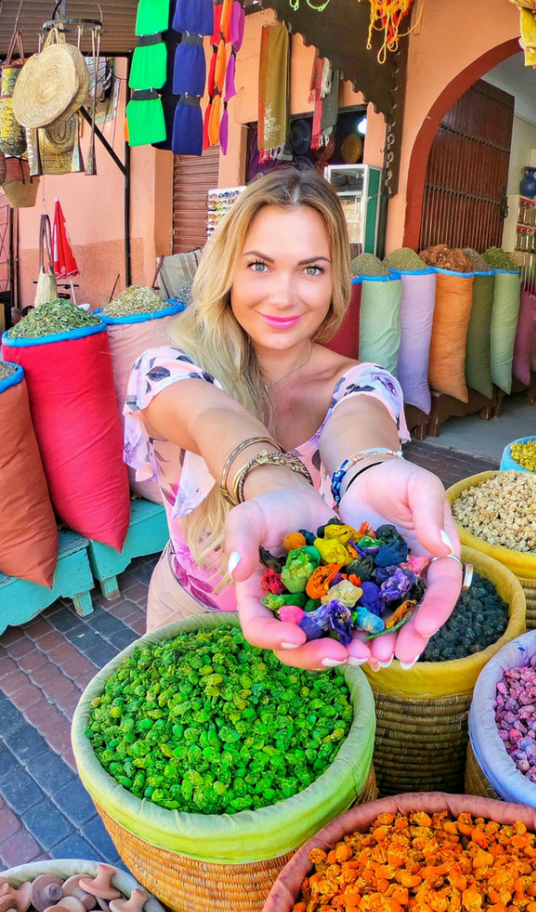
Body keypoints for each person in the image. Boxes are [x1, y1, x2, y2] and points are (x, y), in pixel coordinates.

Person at [123, 169, 462, 671]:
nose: (283, 296)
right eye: (260, 265)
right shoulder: (170, 367)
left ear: (335, 281)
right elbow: (209, 414)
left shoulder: (364, 383)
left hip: (309, 634)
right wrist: (273, 480)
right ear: (228, 270)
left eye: (310, 269)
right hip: (185, 619)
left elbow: (359, 430)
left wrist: (368, 470)